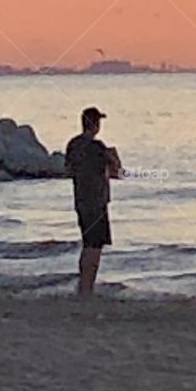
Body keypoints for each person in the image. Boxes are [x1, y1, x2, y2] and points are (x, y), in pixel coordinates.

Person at [65, 107, 121, 295]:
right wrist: (114, 156)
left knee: (87, 243)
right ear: (95, 125)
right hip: (96, 201)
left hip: (81, 200)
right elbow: (117, 172)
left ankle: (83, 284)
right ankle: (88, 287)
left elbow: (68, 169)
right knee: (95, 246)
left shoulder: (73, 145)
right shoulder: (97, 148)